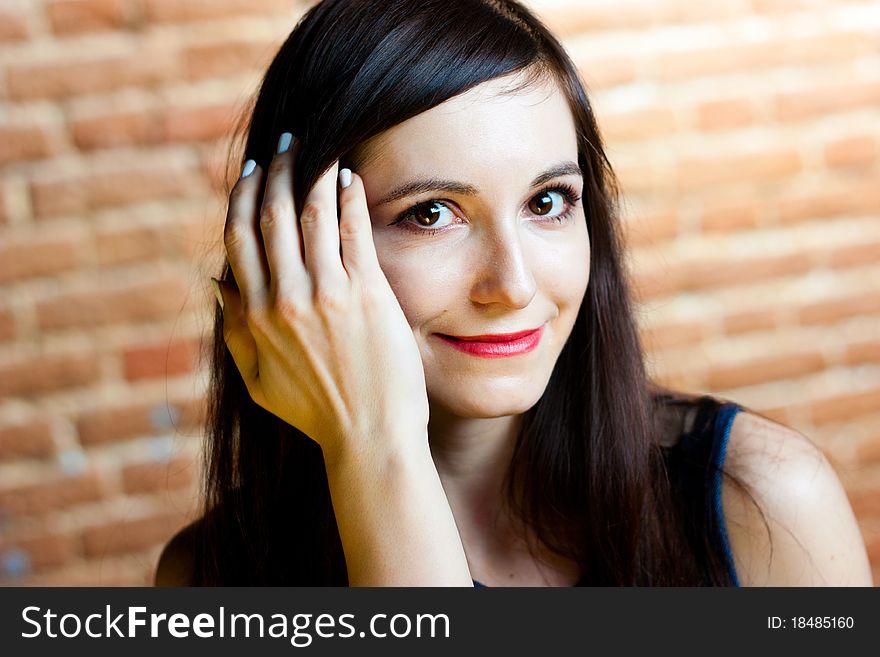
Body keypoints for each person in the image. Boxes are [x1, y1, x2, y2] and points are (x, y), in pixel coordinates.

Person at [154, 0, 872, 587]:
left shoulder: (762, 500)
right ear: (289, 251)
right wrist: (375, 451)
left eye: (548, 201)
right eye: (430, 212)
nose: (515, 284)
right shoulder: (211, 577)